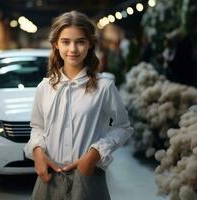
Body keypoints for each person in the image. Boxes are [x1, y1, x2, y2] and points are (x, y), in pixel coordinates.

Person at [24, 11, 133, 200]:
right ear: (56, 44)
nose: (73, 49)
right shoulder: (44, 87)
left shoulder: (104, 86)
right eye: (66, 41)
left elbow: (123, 127)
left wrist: (94, 155)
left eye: (80, 41)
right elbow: (38, 127)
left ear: (90, 45)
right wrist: (38, 152)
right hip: (50, 177)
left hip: (88, 175)